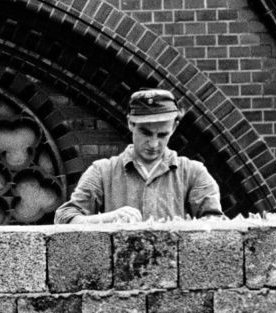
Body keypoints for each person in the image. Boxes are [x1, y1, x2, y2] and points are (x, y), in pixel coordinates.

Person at [54, 88, 223, 224]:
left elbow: (217, 227)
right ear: (130, 123)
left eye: (162, 135)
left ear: (174, 127)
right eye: (145, 132)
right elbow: (64, 218)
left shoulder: (193, 173)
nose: (153, 144)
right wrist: (108, 219)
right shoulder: (102, 171)